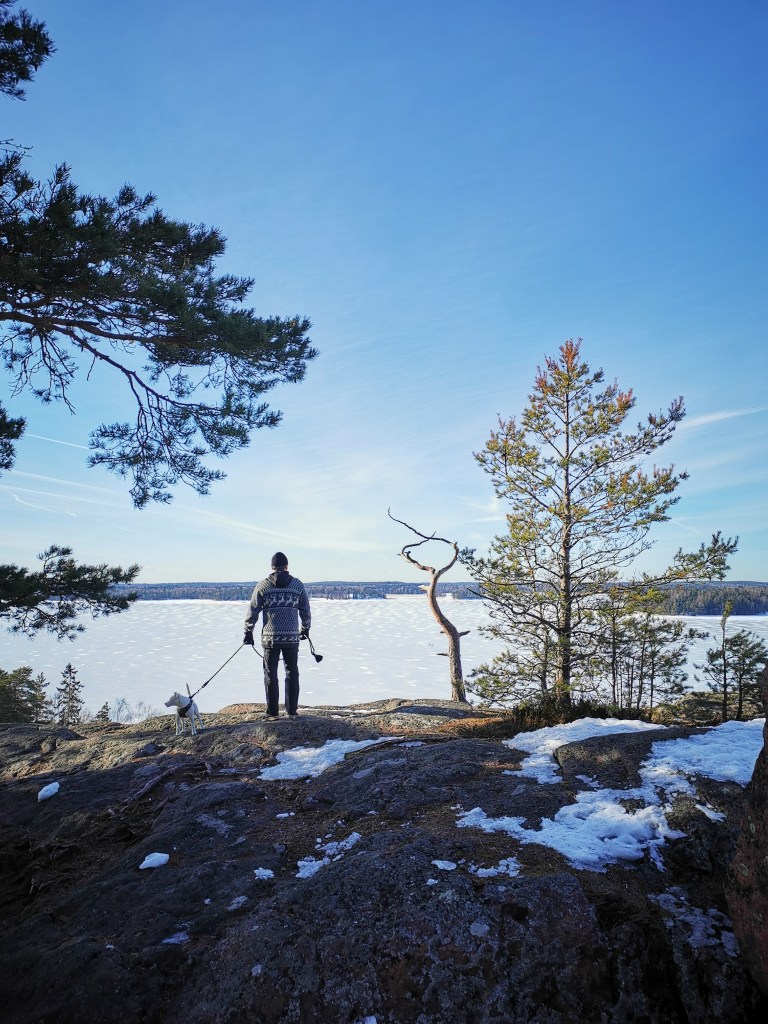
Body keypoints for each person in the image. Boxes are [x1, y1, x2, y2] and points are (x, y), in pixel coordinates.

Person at [244, 552, 311, 718]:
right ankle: (291, 711)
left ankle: (272, 712)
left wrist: (248, 631)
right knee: (292, 673)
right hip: (291, 638)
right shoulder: (297, 585)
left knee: (270, 674)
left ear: (272, 567)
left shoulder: (263, 586)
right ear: (287, 566)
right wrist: (305, 628)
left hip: (270, 638)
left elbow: (253, 610)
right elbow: (305, 610)